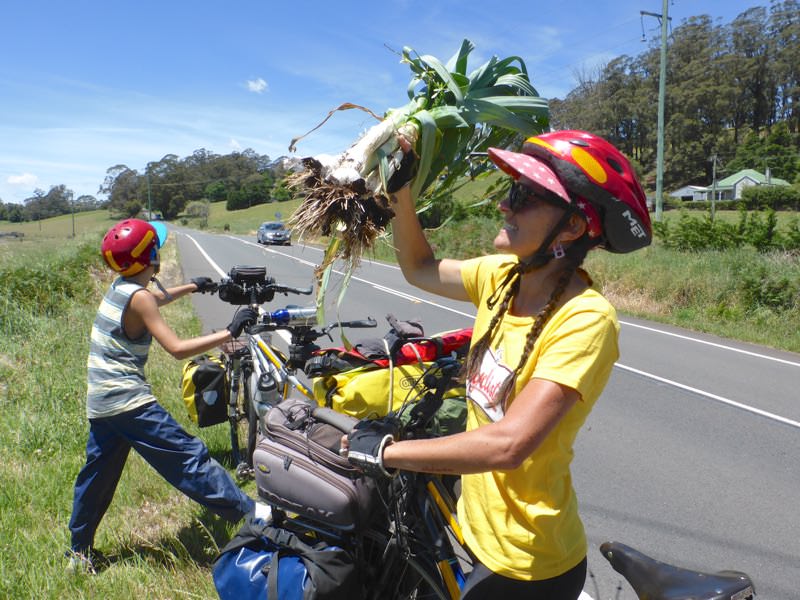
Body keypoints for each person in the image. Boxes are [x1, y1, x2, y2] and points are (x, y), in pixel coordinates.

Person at [345, 131, 652, 599]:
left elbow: (509, 444)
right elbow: (419, 265)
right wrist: (401, 188)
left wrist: (384, 451)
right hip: (474, 529)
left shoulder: (585, 319)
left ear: (570, 228)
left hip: (528, 561)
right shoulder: (501, 277)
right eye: (511, 191)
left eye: (524, 196)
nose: (505, 206)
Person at [67, 218, 262, 574]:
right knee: (189, 458)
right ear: (150, 257)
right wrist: (229, 331)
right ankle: (256, 519)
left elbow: (153, 300)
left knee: (97, 477)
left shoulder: (122, 287)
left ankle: (78, 552)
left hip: (101, 401)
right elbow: (176, 348)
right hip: (129, 402)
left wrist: (192, 286)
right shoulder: (140, 297)